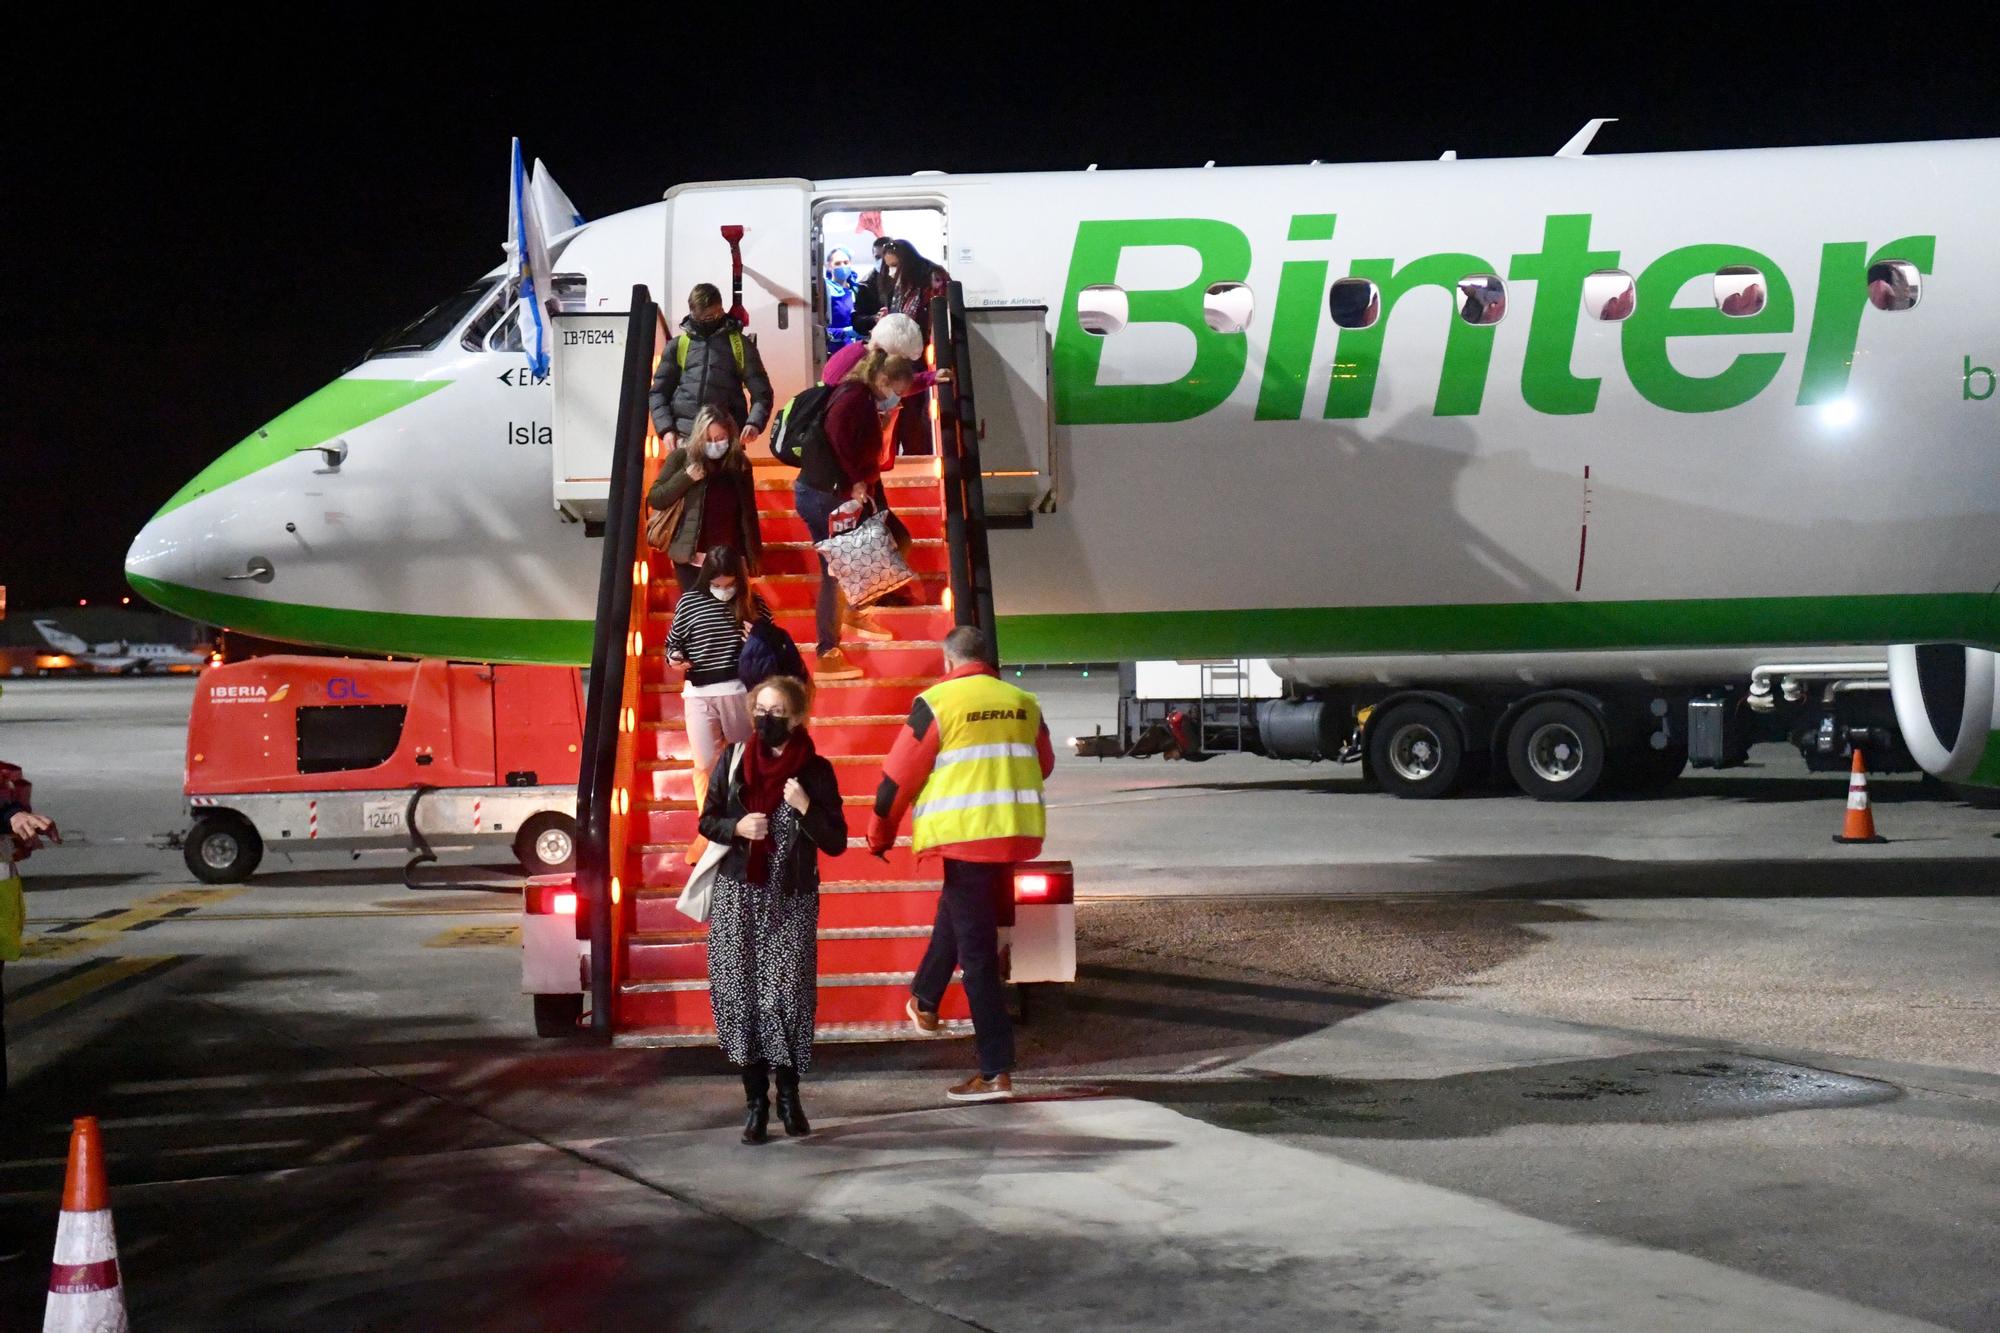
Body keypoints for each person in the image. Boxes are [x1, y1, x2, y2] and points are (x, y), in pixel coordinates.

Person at [868, 627, 1054, 1102]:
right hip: (1011, 834)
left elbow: (898, 776)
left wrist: (880, 833)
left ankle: (995, 1072)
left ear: (947, 661)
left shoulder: (938, 702)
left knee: (977, 959)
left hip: (964, 838)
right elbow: (1044, 762)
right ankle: (925, 999)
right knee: (957, 915)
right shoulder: (1023, 701)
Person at [698, 675, 847, 1143]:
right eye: (760, 709)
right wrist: (737, 828)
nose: (767, 719)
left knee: (783, 998)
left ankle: (789, 1096)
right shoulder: (734, 761)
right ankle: (755, 1104)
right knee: (738, 996)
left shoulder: (816, 771)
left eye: (778, 712)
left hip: (792, 899)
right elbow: (707, 820)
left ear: (798, 717)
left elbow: (837, 841)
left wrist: (805, 807)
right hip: (737, 895)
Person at [794, 350, 921, 680]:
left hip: (843, 491)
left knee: (896, 539)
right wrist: (855, 484)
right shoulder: (854, 399)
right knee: (835, 570)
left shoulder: (864, 396)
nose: (898, 399)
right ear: (882, 380)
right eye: (897, 391)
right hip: (827, 495)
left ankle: (855, 608)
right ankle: (827, 650)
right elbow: (837, 443)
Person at [665, 545, 775, 799]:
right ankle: (710, 823)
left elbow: (775, 642)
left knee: (747, 760)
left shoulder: (752, 602)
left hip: (740, 690)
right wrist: (674, 658)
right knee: (704, 763)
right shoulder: (690, 602)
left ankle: (749, 810)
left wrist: (758, 639)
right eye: (717, 584)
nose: (724, 591)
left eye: (730, 584)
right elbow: (673, 643)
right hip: (698, 692)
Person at [648, 405, 764, 590]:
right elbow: (656, 498)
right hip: (691, 558)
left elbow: (748, 512)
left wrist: (753, 556)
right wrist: (686, 478)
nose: (714, 444)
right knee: (698, 614)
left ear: (730, 436)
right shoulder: (681, 458)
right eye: (708, 439)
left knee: (729, 615)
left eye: (720, 438)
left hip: (729, 558)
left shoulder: (739, 465)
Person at [650, 283, 774, 448]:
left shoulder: (740, 345)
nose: (707, 321)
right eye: (702, 317)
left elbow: (762, 393)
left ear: (721, 309)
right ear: (692, 312)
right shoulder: (678, 346)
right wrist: (666, 430)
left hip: (726, 438)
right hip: (685, 438)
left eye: (712, 316)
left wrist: (754, 423)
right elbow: (658, 393)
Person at [881, 239, 951, 338]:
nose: (891, 272)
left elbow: (938, 318)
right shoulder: (903, 283)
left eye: (895, 265)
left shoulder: (933, 277)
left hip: (929, 341)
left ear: (907, 262)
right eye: (888, 267)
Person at [825, 248, 861, 352]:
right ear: (829, 266)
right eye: (837, 263)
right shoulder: (826, 291)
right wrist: (844, 332)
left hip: (858, 349)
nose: (843, 266)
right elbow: (819, 330)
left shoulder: (857, 289)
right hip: (835, 350)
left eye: (846, 262)